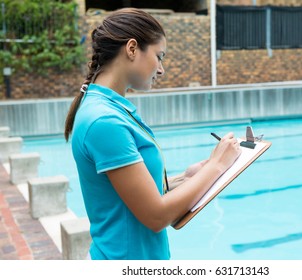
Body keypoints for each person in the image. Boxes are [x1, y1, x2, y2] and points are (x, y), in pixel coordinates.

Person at [64, 8, 241, 260]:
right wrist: (217, 165)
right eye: (159, 56)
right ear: (132, 48)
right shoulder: (104, 120)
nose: (161, 70)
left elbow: (127, 196)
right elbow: (155, 216)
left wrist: (182, 180)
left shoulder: (112, 109)